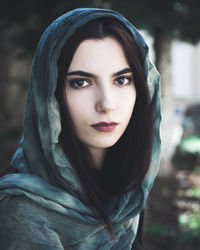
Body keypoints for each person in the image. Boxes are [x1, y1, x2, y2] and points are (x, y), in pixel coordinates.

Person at [0, 8, 161, 249]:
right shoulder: (25, 212)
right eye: (81, 83)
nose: (107, 104)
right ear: (49, 96)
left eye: (122, 80)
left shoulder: (128, 191)